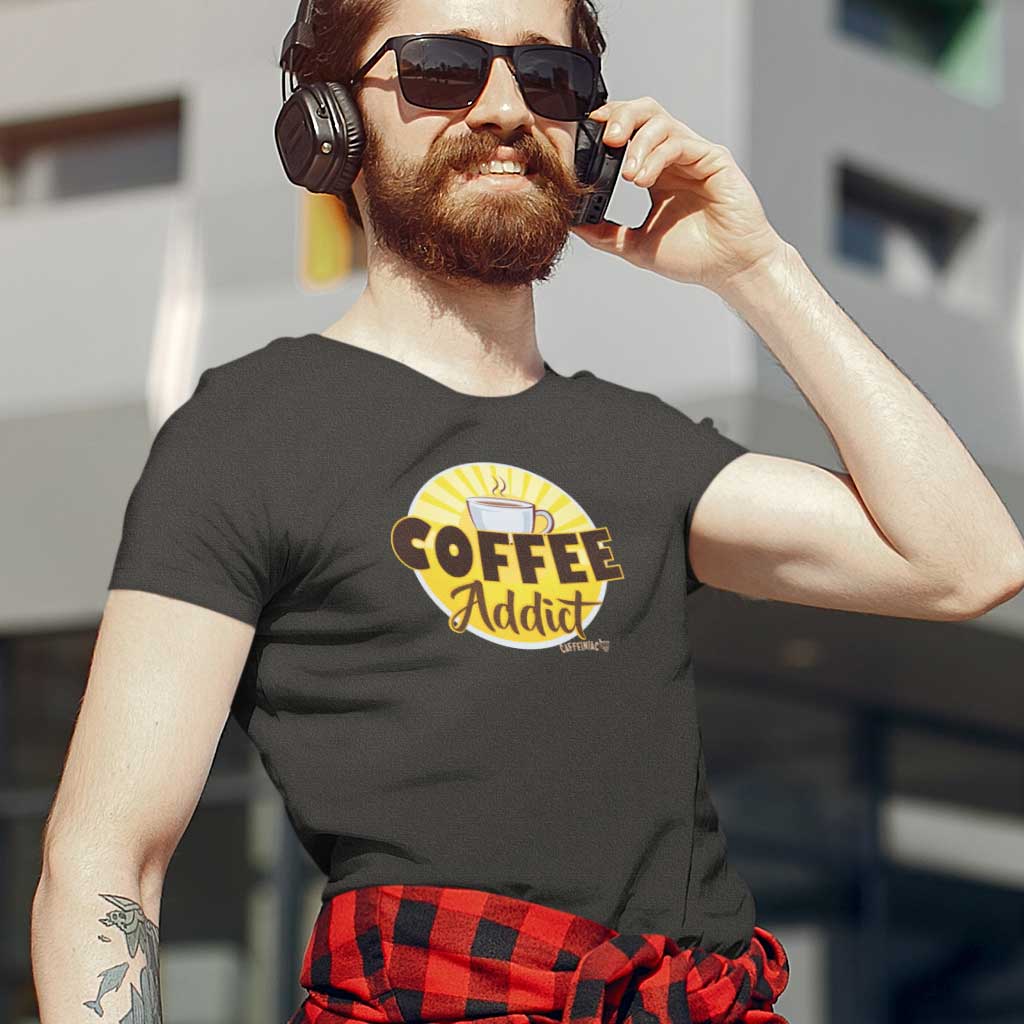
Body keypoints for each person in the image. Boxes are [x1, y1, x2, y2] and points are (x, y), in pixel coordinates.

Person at [32, 0, 1024, 1022]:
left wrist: (756, 271)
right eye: (441, 68)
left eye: (547, 80)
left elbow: (964, 560)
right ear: (330, 118)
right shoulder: (248, 433)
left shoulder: (643, 448)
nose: (505, 107)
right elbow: (108, 856)